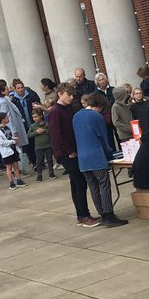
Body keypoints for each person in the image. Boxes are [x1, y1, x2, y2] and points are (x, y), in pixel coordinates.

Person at [49, 83, 99, 227]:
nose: (71, 97)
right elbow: (56, 135)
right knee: (79, 183)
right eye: (68, 94)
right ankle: (84, 215)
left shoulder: (69, 109)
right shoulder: (55, 112)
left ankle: (81, 214)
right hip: (67, 154)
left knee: (76, 183)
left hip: (74, 150)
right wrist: (68, 151)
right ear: (60, 94)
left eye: (72, 95)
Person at [74, 92, 126, 226]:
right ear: (100, 105)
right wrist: (110, 153)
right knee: (104, 185)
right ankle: (109, 214)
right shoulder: (97, 116)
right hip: (96, 156)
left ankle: (102, 214)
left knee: (93, 187)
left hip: (83, 158)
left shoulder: (76, 116)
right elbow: (103, 138)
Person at [0, 83, 29, 174]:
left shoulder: (4, 99)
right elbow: (6, 117)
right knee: (17, 148)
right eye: (6, 89)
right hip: (11, 128)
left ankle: (21, 168)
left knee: (18, 148)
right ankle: (21, 169)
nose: (8, 90)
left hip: (13, 125)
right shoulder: (2, 101)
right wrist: (13, 131)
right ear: (2, 91)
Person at [0, 112, 27, 190]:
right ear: (3, 120)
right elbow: (1, 142)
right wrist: (12, 142)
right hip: (7, 152)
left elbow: (9, 137)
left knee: (15, 165)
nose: (8, 119)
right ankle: (11, 183)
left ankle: (19, 180)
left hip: (13, 149)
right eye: (6, 118)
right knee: (9, 167)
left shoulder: (7, 128)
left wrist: (14, 139)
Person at [29, 106, 55, 181]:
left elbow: (51, 133)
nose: (35, 119)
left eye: (36, 117)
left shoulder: (46, 124)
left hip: (48, 145)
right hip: (38, 147)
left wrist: (44, 131)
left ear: (40, 116)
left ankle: (51, 173)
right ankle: (39, 175)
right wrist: (36, 132)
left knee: (49, 160)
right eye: (33, 117)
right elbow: (29, 135)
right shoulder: (32, 126)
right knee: (39, 162)